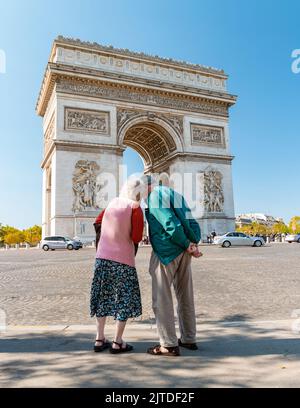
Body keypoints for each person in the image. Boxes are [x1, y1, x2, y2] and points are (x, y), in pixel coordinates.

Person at [144, 176, 202, 357]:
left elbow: (169, 222)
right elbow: (191, 221)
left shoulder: (154, 196)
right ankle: (189, 338)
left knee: (162, 299)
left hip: (167, 251)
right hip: (185, 252)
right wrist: (193, 243)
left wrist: (185, 243)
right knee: (186, 295)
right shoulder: (177, 196)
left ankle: (168, 344)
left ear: (146, 186)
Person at [90, 177, 144, 354]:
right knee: (124, 299)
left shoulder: (112, 203)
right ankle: (117, 341)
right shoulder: (135, 207)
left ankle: (99, 338)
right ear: (139, 192)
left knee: (102, 296)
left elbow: (97, 221)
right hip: (123, 260)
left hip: (102, 258)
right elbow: (136, 237)